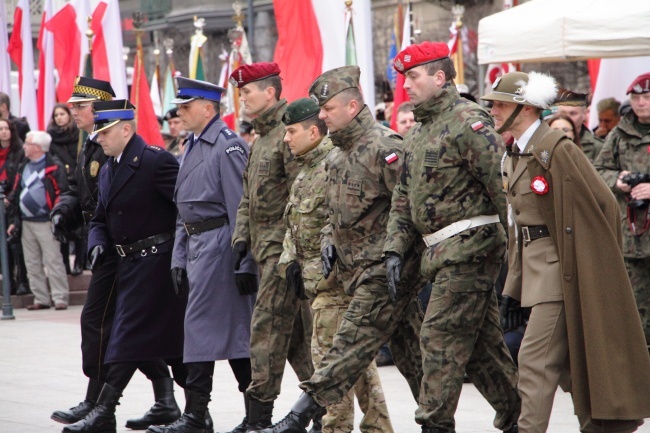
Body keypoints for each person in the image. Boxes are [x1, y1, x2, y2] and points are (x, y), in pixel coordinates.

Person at [256, 65, 425, 433]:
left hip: (388, 277)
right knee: (369, 360)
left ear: (351, 106)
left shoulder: (386, 146)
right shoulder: (335, 158)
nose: (322, 116)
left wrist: (402, 257)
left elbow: (409, 208)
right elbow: (329, 217)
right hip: (353, 280)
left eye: (327, 110)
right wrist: (324, 245)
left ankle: (304, 417)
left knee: (410, 365)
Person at [483, 71, 650, 433]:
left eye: (499, 104)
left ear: (524, 109)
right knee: (576, 366)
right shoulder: (516, 153)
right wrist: (512, 287)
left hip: (561, 272)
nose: (492, 110)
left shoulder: (555, 149)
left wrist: (596, 267)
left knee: (534, 363)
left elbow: (604, 205)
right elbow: (519, 228)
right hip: (537, 273)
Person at [382, 42, 520, 433]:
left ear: (440, 77)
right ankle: (520, 418)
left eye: (413, 76)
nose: (405, 85)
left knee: (439, 337)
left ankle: (434, 425)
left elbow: (503, 189)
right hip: (436, 253)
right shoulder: (418, 131)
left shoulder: (469, 122)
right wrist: (393, 247)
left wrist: (515, 259)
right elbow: (402, 198)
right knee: (482, 349)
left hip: (472, 250)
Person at [51, 78, 181, 430]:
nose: (77, 114)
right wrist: (79, 224)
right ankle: (163, 402)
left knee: (117, 330)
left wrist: (180, 254)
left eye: (81, 107)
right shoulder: (100, 154)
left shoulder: (153, 160)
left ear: (120, 125)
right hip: (115, 254)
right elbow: (92, 203)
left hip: (149, 258)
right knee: (126, 330)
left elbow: (185, 208)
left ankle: (101, 406)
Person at [277, 98, 394, 433]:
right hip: (318, 286)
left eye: (292, 131)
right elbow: (296, 224)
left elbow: (342, 224)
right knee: (355, 366)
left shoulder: (333, 164)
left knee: (332, 364)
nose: (286, 139)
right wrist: (290, 262)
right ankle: (377, 428)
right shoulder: (306, 172)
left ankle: (336, 429)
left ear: (314, 131)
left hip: (337, 285)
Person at [149, 77, 258, 433]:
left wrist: (245, 262)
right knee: (215, 334)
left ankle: (216, 414)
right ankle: (208, 413)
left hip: (222, 250)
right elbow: (183, 210)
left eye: (185, 106)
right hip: (199, 250)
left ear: (208, 108)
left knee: (228, 334)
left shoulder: (228, 147)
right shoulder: (193, 145)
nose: (179, 113)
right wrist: (178, 259)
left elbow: (241, 209)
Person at [230, 62, 316, 431]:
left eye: (247, 91)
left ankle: (257, 418)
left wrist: (294, 253)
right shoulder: (261, 137)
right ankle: (325, 410)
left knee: (264, 332)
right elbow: (248, 196)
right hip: (264, 254)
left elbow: (303, 196)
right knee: (297, 339)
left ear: (270, 92)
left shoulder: (288, 132)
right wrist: (239, 239)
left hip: (285, 254)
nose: (242, 98)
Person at [594, 72, 650, 352]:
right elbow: (597, 170)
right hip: (632, 237)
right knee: (635, 308)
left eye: (646, 97)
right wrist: (617, 181)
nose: (641, 103)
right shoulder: (620, 132)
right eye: (636, 98)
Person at [7, 131, 69, 310]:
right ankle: (41, 298)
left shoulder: (54, 166)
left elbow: (61, 193)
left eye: (27, 143)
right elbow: (18, 192)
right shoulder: (23, 165)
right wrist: (14, 220)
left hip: (46, 222)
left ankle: (60, 297)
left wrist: (56, 216)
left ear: (37, 147)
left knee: (53, 260)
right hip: (26, 221)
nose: (24, 146)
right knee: (32, 262)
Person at [47, 103, 84, 276]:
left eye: (62, 114)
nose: (59, 117)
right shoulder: (51, 138)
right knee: (62, 221)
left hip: (77, 180)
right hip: (60, 183)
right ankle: (65, 263)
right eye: (56, 115)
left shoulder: (78, 134)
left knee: (80, 224)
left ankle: (80, 261)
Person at [0, 117, 30, 295]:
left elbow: (20, 178)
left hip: (15, 204)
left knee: (17, 246)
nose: (3, 131)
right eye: (0, 128)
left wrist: (8, 198)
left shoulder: (19, 152)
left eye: (6, 128)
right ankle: (8, 280)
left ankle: (22, 281)